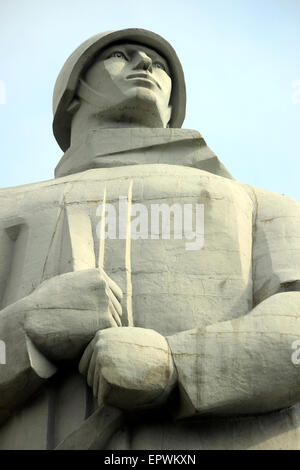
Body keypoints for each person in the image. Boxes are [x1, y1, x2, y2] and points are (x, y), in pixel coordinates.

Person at [0, 28, 300, 450]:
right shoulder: (8, 207)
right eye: (121, 55)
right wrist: (28, 327)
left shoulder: (258, 204)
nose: (145, 64)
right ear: (72, 95)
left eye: (159, 64)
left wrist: (176, 364)